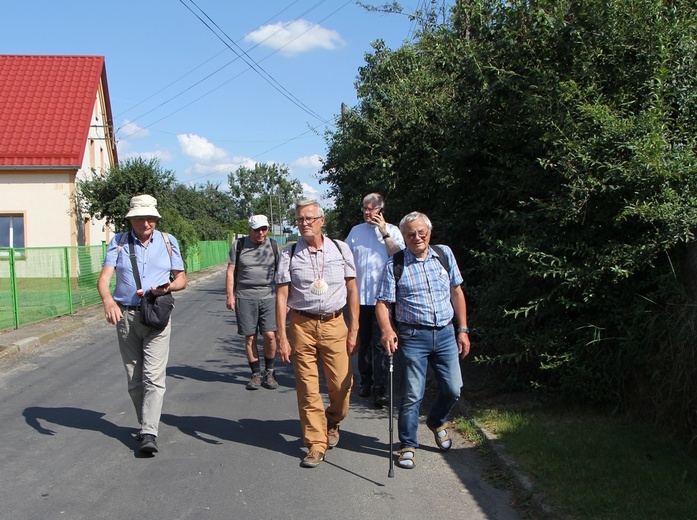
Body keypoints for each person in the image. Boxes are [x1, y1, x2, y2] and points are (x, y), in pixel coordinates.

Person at [375, 211, 471, 470]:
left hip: (446, 334)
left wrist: (462, 329)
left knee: (453, 389)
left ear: (429, 232)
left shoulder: (444, 254)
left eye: (422, 233)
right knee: (412, 395)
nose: (417, 237)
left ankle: (437, 421)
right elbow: (383, 304)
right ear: (403, 237)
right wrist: (387, 330)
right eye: (410, 234)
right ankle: (408, 444)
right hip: (412, 337)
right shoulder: (395, 264)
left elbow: (456, 292)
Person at [97, 194, 187, 454]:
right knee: (134, 379)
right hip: (125, 317)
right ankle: (145, 421)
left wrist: (168, 287)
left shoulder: (168, 242)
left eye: (150, 218)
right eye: (140, 218)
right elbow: (104, 280)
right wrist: (108, 302)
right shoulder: (119, 242)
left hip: (157, 314)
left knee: (153, 376)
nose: (146, 223)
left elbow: (182, 279)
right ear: (131, 220)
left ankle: (149, 431)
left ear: (156, 219)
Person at [275, 199, 359, 468]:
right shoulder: (289, 254)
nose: (305, 223)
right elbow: (281, 296)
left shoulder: (340, 249)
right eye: (300, 219)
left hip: (335, 323)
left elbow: (353, 289)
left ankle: (333, 420)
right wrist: (282, 336)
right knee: (308, 387)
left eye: (310, 218)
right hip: (302, 325)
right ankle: (316, 443)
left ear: (323, 220)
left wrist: (354, 327)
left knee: (341, 386)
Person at [346, 193, 404, 406]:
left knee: (381, 344)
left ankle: (381, 389)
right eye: (364, 208)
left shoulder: (394, 231)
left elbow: (399, 257)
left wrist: (384, 233)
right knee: (363, 342)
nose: (367, 212)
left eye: (372, 208)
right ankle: (366, 382)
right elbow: (346, 260)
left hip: (383, 300)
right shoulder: (355, 232)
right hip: (360, 298)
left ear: (381, 211)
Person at [226, 214, 279, 390]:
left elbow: (281, 273)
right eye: (257, 230)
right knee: (250, 336)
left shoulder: (273, 245)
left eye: (264, 229)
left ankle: (269, 372)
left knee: (270, 335)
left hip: (269, 296)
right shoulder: (239, 245)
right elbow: (230, 270)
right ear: (250, 230)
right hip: (245, 296)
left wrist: (284, 297)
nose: (261, 233)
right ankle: (256, 374)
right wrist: (230, 296)